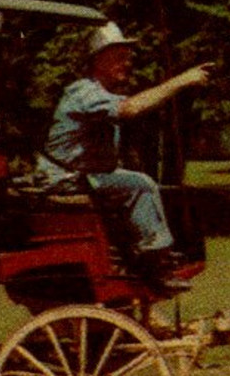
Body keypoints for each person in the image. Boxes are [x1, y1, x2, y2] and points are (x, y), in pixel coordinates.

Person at [34, 22, 211, 292]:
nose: (127, 63)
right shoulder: (84, 93)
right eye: (119, 57)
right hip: (65, 179)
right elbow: (131, 109)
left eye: (128, 57)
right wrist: (182, 80)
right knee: (140, 184)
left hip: (84, 177)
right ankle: (156, 264)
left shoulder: (103, 94)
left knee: (157, 189)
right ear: (97, 60)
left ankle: (143, 258)